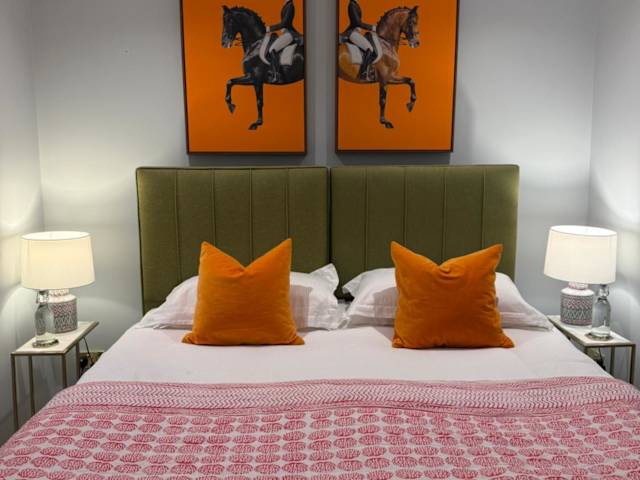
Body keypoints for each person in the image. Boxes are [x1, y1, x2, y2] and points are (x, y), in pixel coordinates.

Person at [265, 0, 299, 83]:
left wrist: (270, 28)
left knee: (272, 50)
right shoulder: (286, 5)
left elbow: (284, 23)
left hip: (290, 33)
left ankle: (277, 75)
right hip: (285, 32)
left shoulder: (290, 6)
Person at [344, 0, 377, 80]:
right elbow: (357, 23)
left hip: (356, 32)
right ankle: (363, 73)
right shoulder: (352, 5)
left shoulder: (355, 4)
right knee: (369, 49)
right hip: (352, 32)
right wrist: (372, 27)